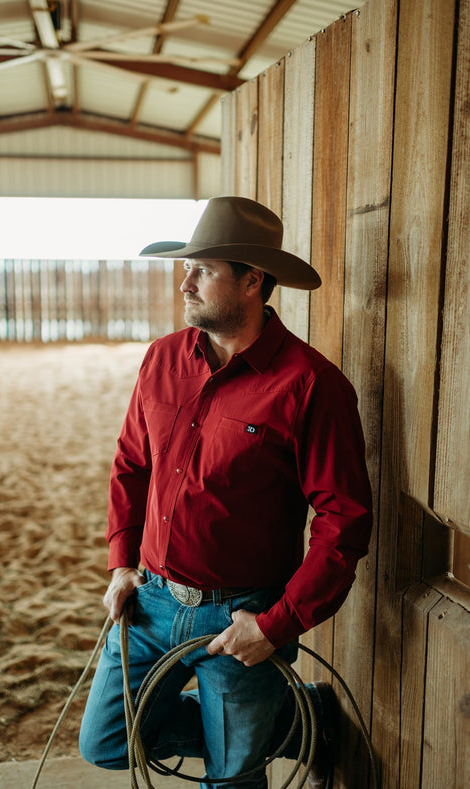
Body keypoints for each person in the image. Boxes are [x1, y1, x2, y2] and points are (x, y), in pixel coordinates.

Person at [79, 196, 373, 789]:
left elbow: (345, 521)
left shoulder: (313, 386)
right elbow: (131, 463)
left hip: (244, 615)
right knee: (107, 744)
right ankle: (296, 720)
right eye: (186, 267)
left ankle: (270, 721)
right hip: (152, 600)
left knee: (232, 781)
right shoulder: (162, 358)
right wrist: (119, 564)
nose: (185, 282)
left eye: (204, 269)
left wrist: (274, 625)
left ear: (251, 281)